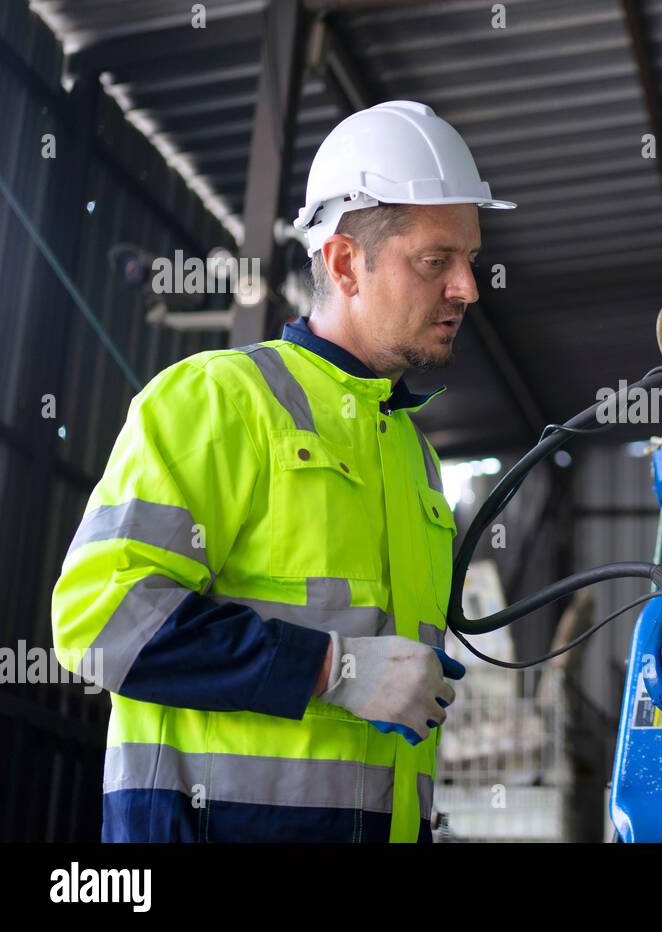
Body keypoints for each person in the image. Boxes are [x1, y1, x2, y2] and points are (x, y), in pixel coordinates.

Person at [51, 100, 514, 842]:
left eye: (469, 258)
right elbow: (100, 621)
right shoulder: (218, 399)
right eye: (437, 261)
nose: (468, 287)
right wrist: (337, 670)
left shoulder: (415, 456)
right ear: (343, 263)